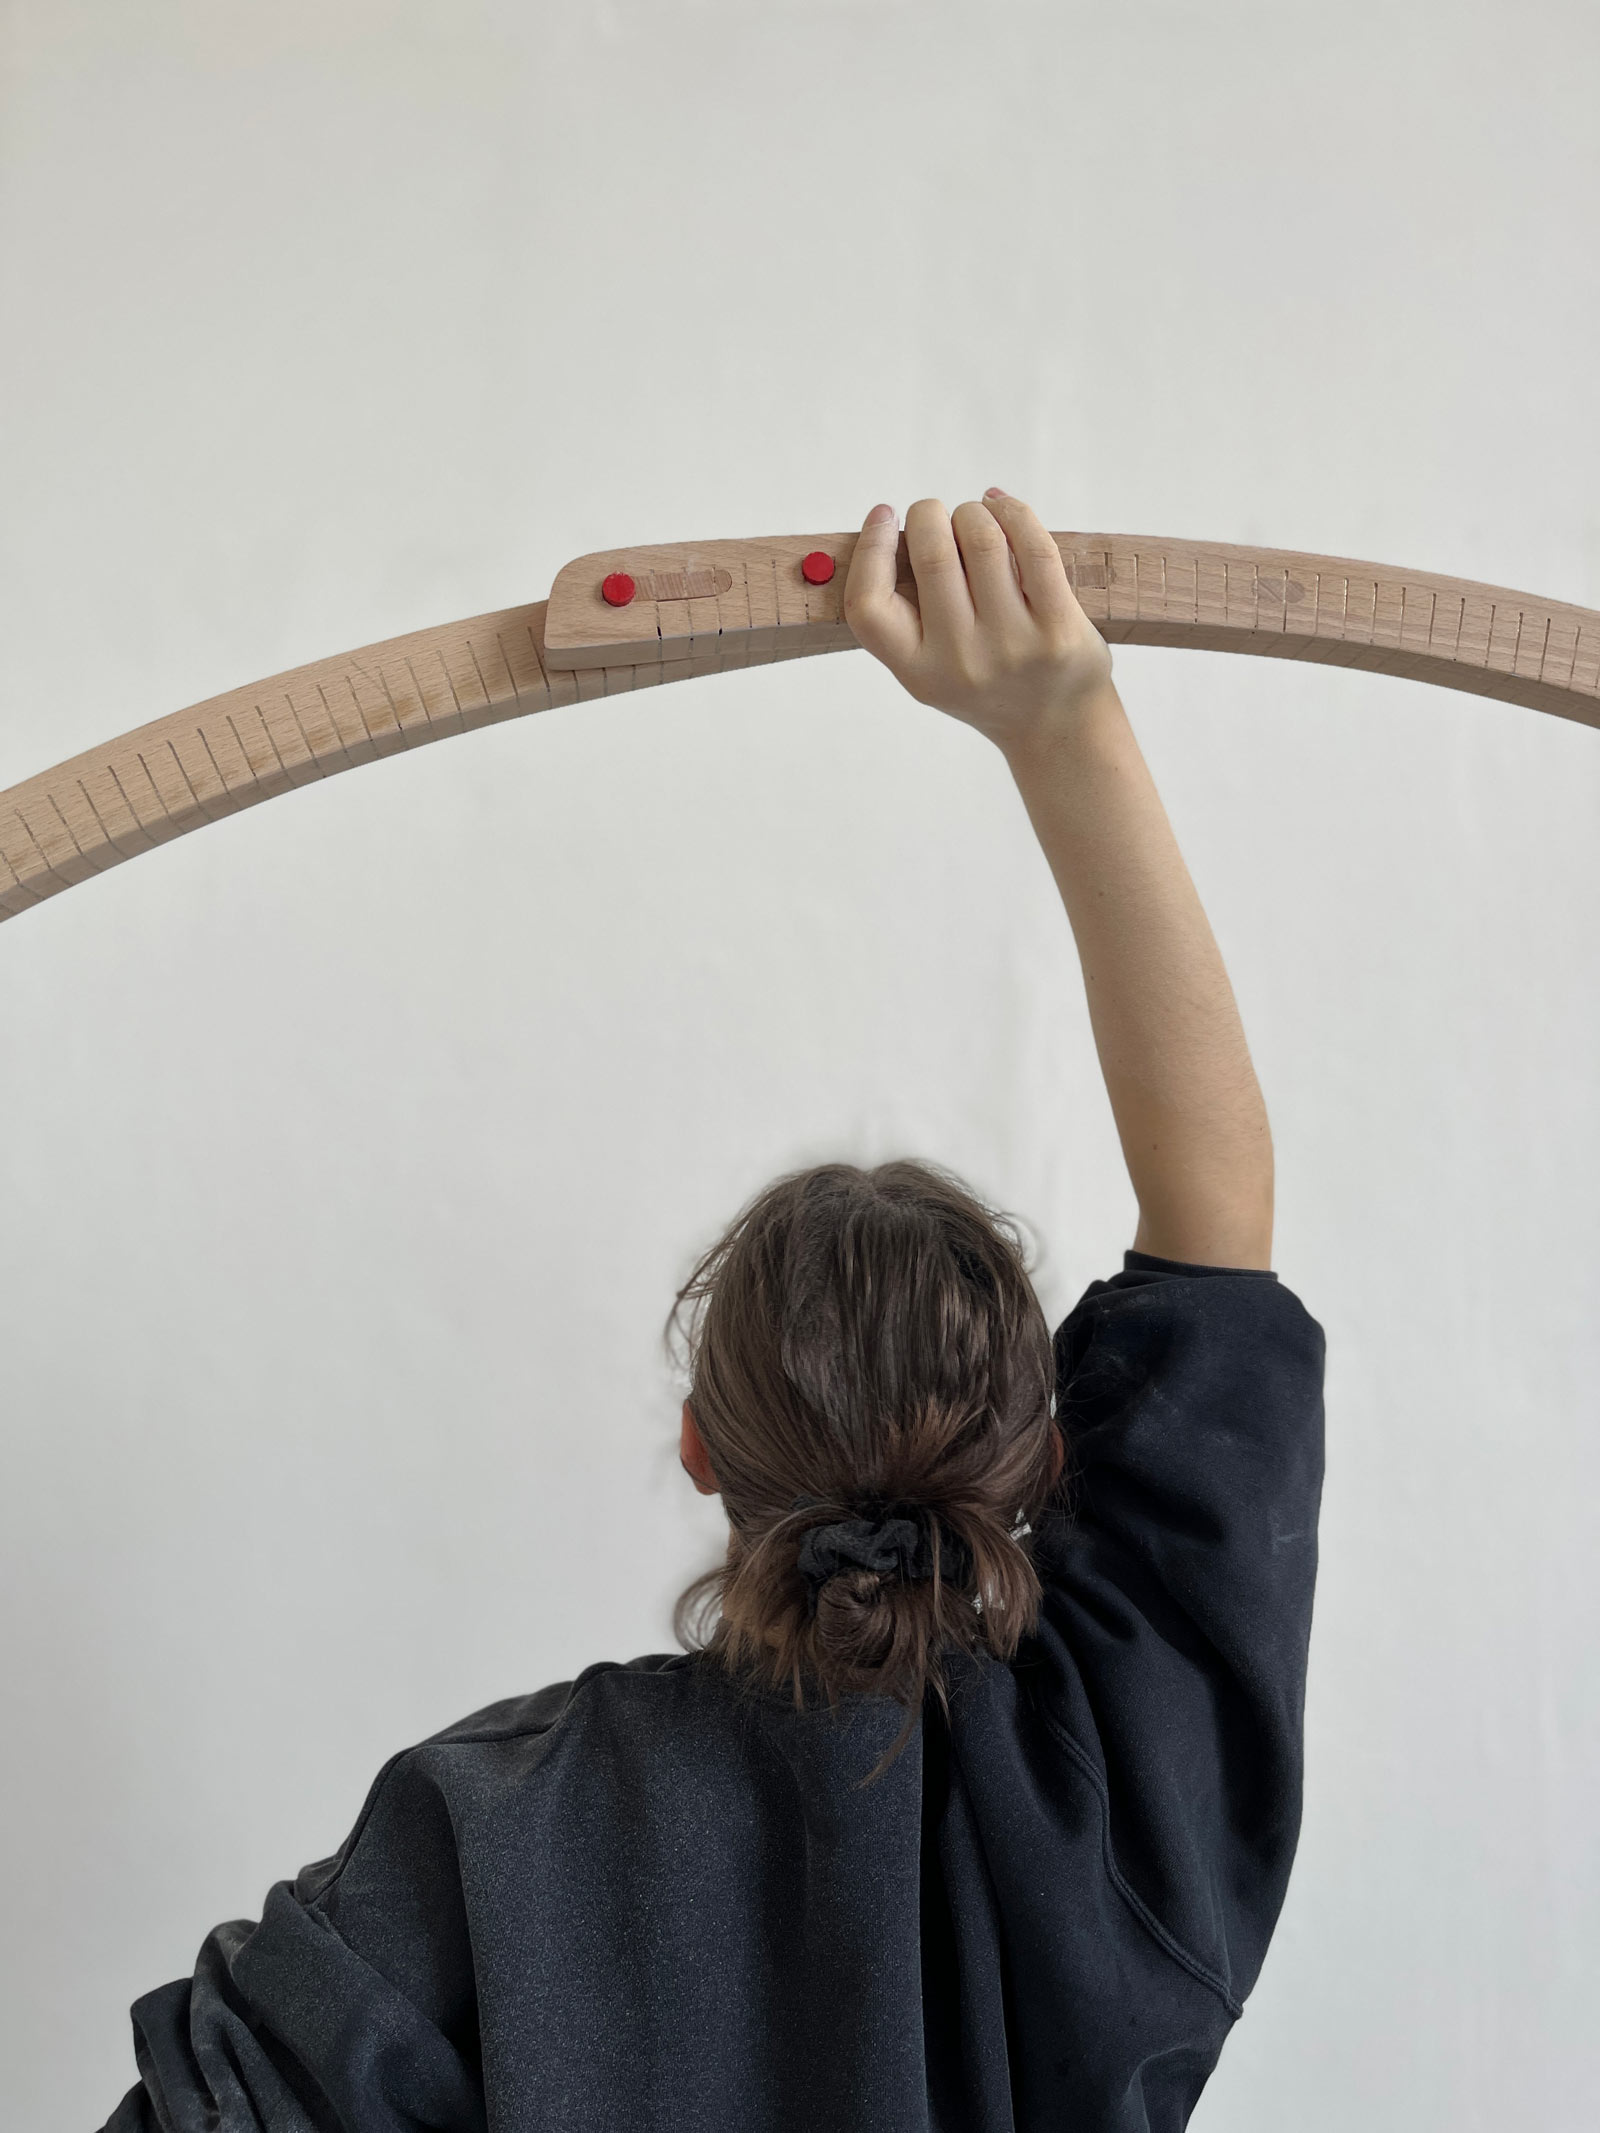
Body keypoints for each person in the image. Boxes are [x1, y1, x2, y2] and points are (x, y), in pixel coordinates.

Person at [103, 492, 1325, 2133]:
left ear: (699, 1445)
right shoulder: (1109, 1793)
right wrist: (1066, 722)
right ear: (1039, 1446)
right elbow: (1217, 1237)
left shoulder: (482, 1827)